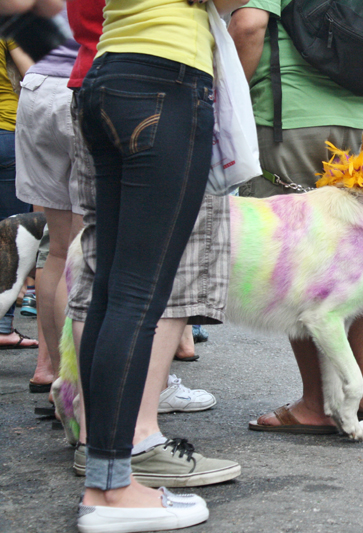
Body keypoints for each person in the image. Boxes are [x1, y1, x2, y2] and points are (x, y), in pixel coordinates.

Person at [74, 0, 246, 530]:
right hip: (166, 78)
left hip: (107, 70)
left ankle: (104, 480)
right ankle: (112, 492)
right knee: (136, 297)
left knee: (111, 292)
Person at [229, 0, 363, 432]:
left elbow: (249, 26)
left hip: (288, 116)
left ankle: (316, 404)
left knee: (298, 264)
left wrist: (228, 112)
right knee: (359, 261)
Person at [14, 8, 80, 388]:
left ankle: (57, 377)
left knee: (58, 250)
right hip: (84, 82)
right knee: (86, 251)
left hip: (39, 86)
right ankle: (73, 385)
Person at [0, 38, 37, 351]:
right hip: (7, 132)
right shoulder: (11, 28)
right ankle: (2, 327)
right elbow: (33, 75)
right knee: (10, 238)